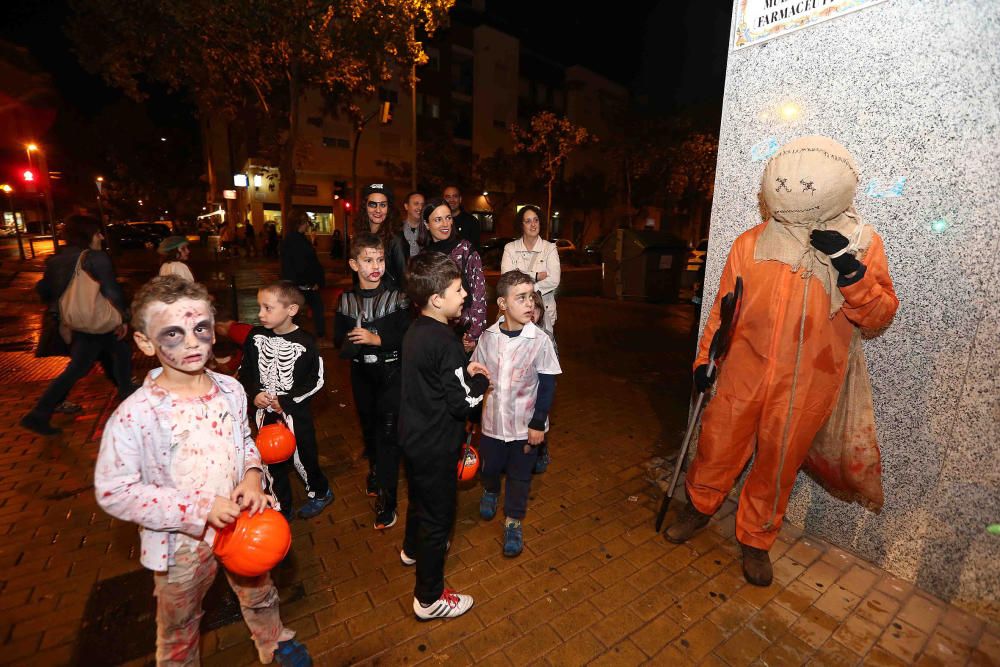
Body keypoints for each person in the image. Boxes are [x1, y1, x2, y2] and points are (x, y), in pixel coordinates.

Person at [666, 136, 898, 587]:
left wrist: (848, 271)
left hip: (808, 382)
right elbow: (724, 309)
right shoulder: (751, 243)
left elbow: (879, 314)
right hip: (742, 373)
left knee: (778, 465)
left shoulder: (862, 246)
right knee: (717, 446)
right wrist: (704, 359)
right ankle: (698, 507)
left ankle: (756, 539)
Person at [94, 275, 312, 666]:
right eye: (173, 333)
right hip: (182, 545)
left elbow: (246, 442)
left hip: (243, 524)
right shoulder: (137, 416)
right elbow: (115, 491)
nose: (193, 341)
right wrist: (198, 508)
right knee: (179, 620)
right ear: (145, 342)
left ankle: (272, 639)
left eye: (200, 328)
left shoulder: (230, 389)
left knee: (260, 591)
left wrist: (251, 475)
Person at [398, 252, 490, 620]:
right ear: (437, 299)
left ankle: (410, 549)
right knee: (438, 517)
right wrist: (480, 380)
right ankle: (429, 597)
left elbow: (436, 379)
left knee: (419, 499)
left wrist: (460, 371)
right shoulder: (446, 341)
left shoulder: (417, 330)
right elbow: (461, 402)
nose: (466, 293)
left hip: (413, 438)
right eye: (458, 289)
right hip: (436, 444)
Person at [472, 271, 561, 557]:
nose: (529, 303)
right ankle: (490, 489)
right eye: (520, 297)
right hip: (492, 424)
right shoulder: (488, 337)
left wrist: (538, 423)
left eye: (531, 297)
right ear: (502, 303)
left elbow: (547, 383)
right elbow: (477, 373)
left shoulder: (540, 340)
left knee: (520, 475)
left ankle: (513, 521)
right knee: (490, 466)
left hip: (525, 427)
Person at [21, 215, 136, 435]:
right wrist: (122, 317)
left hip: (76, 323)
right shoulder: (95, 258)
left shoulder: (55, 260)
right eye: (98, 233)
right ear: (89, 235)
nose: (101, 237)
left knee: (103, 358)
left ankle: (39, 414)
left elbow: (44, 291)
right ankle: (127, 397)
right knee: (109, 357)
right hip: (97, 321)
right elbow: (112, 291)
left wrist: (64, 315)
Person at [239, 282, 333, 521]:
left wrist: (288, 400)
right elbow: (246, 369)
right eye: (260, 307)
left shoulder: (306, 342)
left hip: (294, 413)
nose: (260, 314)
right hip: (265, 413)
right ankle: (281, 504)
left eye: (268, 308)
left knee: (304, 457)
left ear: (291, 310)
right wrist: (254, 392)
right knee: (270, 461)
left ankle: (320, 492)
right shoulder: (255, 336)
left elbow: (317, 379)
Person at [334, 233, 410, 528]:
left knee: (388, 436)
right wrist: (351, 341)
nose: (375, 266)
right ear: (354, 264)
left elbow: (407, 336)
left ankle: (387, 501)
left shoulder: (398, 297)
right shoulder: (345, 300)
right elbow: (338, 339)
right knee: (369, 430)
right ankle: (376, 470)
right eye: (368, 260)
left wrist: (376, 338)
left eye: (379, 259)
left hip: (391, 375)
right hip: (361, 376)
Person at [419, 198, 486, 352]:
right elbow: (420, 301)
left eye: (448, 218)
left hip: (463, 334)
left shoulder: (465, 250)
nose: (445, 224)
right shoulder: (423, 257)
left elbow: (479, 294)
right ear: (426, 224)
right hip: (433, 333)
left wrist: (474, 335)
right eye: (438, 219)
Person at [500, 205, 561, 335]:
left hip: (543, 314)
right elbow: (507, 279)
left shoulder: (550, 248)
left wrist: (520, 279)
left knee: (543, 352)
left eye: (536, 220)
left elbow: (554, 280)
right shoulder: (510, 248)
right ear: (521, 225)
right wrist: (536, 275)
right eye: (528, 221)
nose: (533, 225)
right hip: (515, 314)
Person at [280, 210, 328, 343]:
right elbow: (304, 264)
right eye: (307, 222)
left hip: (297, 283)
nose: (308, 224)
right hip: (303, 284)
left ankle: (292, 337)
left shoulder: (293, 238)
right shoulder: (297, 240)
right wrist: (312, 282)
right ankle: (318, 336)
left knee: (297, 311)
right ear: (301, 223)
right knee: (315, 307)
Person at [529, 289, 555, 474]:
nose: (531, 312)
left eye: (535, 309)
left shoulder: (545, 337)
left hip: (539, 388)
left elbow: (554, 363)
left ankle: (541, 450)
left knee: (540, 419)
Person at [388, 191, 424, 287]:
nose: (420, 208)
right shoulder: (395, 230)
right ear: (406, 206)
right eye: (416, 204)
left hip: (424, 283)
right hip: (400, 284)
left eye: (422, 204)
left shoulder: (430, 230)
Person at [443, 185, 480, 249]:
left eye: (455, 196)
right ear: (443, 200)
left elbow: (475, 250)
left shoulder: (472, 222)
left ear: (460, 199)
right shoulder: (437, 221)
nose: (451, 200)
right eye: (448, 197)